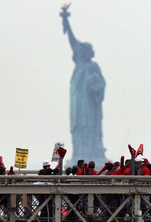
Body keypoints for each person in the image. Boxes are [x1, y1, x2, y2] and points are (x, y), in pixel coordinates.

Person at [61, 6, 107, 165]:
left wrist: (95, 88)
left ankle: (92, 153)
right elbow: (73, 43)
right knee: (78, 127)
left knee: (89, 126)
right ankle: (78, 154)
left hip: (90, 105)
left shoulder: (92, 66)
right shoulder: (79, 65)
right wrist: (66, 22)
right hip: (77, 103)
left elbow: (101, 83)